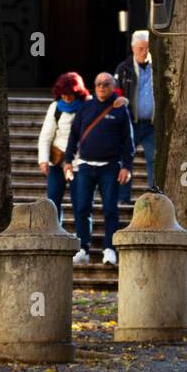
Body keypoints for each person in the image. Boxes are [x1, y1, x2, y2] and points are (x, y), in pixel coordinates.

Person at [63, 73, 134, 265]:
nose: (102, 87)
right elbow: (74, 135)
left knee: (110, 209)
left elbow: (128, 141)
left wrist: (127, 166)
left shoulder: (120, 109)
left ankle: (109, 248)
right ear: (94, 86)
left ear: (113, 86)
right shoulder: (85, 107)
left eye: (106, 84)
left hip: (110, 167)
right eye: (98, 84)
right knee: (82, 208)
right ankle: (83, 248)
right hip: (85, 165)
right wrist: (68, 160)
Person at [38, 72, 88, 225]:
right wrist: (43, 160)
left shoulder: (88, 106)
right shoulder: (56, 108)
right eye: (64, 94)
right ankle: (55, 233)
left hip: (78, 163)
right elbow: (46, 136)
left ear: (77, 92)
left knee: (80, 204)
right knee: (53, 201)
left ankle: (82, 242)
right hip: (58, 163)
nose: (66, 98)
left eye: (70, 94)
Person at [114, 30, 156, 202]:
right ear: (133, 48)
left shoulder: (158, 65)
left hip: (151, 124)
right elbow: (116, 94)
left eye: (147, 48)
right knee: (125, 159)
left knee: (153, 159)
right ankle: (123, 198)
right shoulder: (124, 68)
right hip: (130, 123)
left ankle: (154, 197)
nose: (144, 52)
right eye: (140, 48)